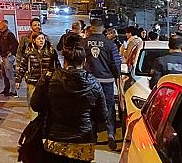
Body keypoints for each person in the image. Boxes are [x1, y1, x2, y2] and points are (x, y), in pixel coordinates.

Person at [31, 34, 108, 163]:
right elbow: (102, 116)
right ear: (84, 61)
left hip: (54, 141)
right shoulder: (94, 83)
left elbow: (35, 105)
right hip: (83, 143)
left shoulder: (50, 78)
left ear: (63, 59)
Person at [84, 19, 121, 151]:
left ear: (91, 29)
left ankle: (93, 136)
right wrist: (116, 75)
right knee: (109, 107)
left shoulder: (84, 43)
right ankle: (110, 133)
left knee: (90, 108)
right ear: (103, 29)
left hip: (89, 81)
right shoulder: (110, 44)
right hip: (106, 81)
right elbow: (115, 64)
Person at [16, 32, 60, 120]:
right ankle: (34, 124)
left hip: (47, 82)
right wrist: (18, 79)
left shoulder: (51, 51)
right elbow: (23, 66)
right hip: (33, 82)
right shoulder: (29, 51)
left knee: (47, 103)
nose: (41, 41)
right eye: (39, 39)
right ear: (34, 40)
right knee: (33, 104)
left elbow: (57, 65)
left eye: (42, 38)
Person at [0, 19, 19, 97]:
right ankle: (7, 89)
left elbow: (16, 44)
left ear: (4, 25)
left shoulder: (9, 34)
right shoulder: (2, 34)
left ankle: (13, 91)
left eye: (0, 24)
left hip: (8, 58)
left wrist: (11, 53)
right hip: (3, 57)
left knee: (10, 75)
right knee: (4, 75)